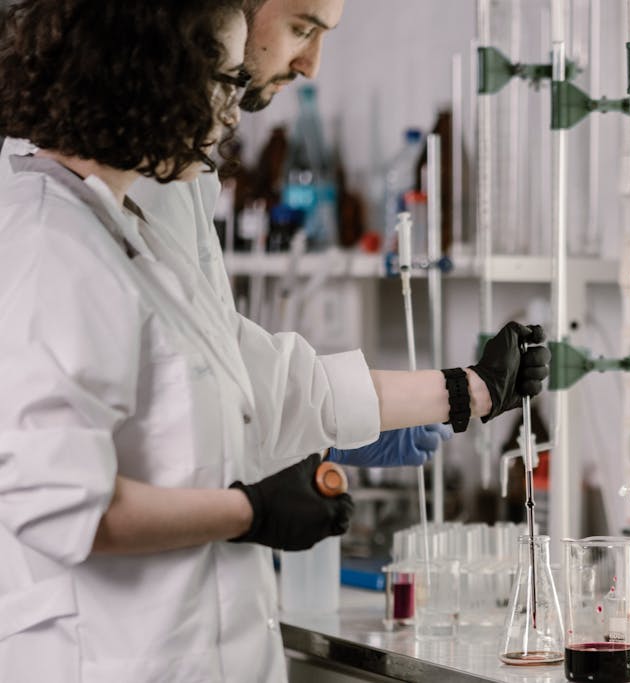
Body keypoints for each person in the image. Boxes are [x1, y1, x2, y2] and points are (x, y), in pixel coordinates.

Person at [0, 1, 548, 681]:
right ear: (152, 74)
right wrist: (249, 511)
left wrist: (468, 390)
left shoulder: (126, 221)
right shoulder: (49, 240)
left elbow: (249, 379)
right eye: (223, 81)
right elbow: (57, 502)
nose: (231, 118)